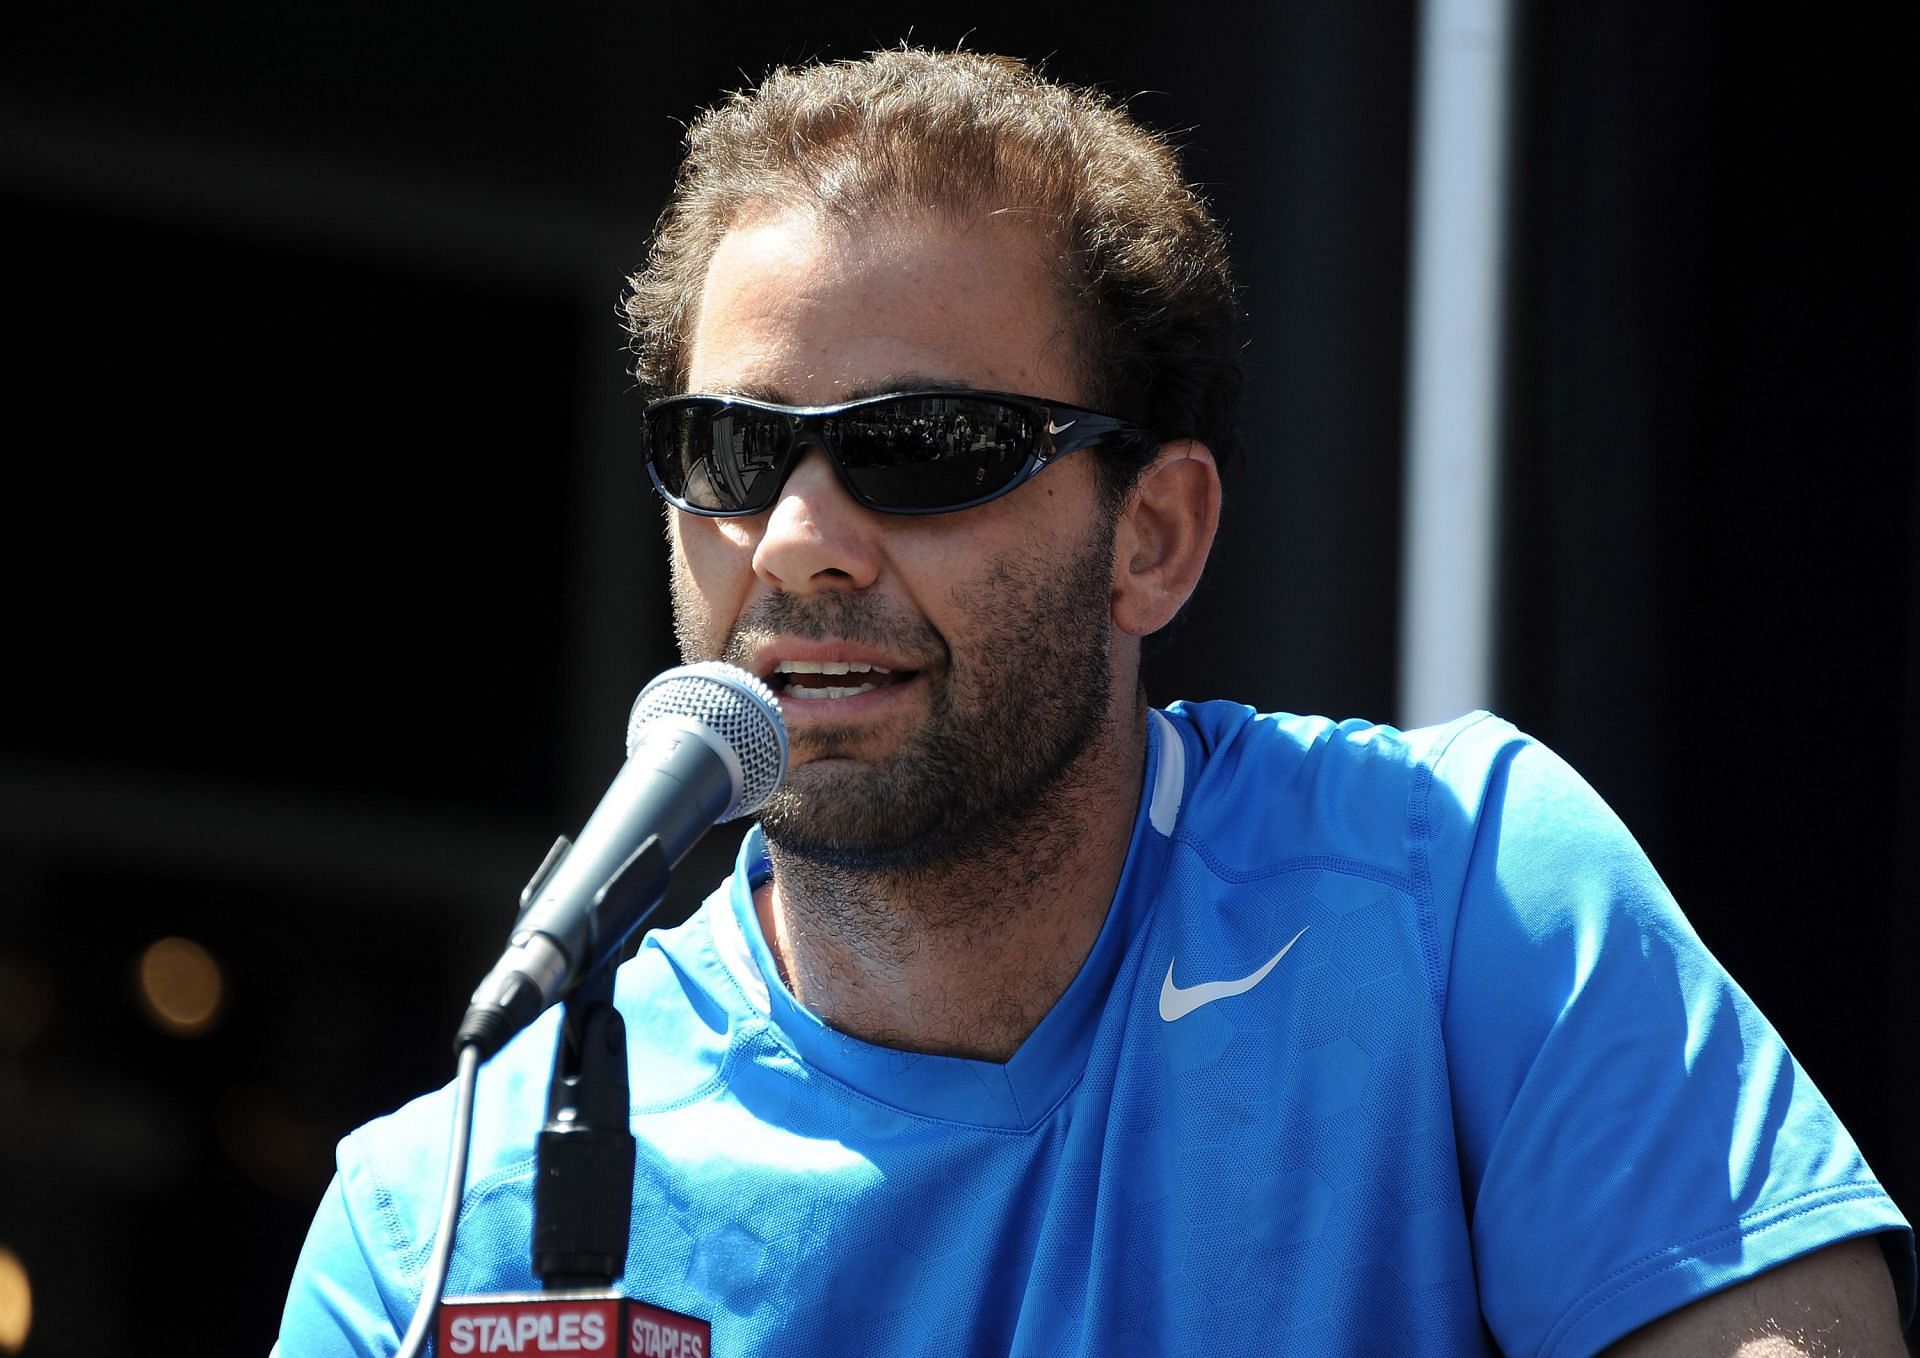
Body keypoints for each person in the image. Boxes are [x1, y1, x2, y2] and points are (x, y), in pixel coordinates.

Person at [276, 48, 1914, 1356]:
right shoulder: (437, 1221)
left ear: (1158, 535)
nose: (799, 540)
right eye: (731, 451)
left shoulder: (1458, 885)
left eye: (920, 447)